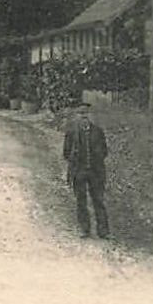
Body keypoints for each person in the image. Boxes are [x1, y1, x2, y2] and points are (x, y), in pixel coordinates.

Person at [63, 101, 110, 239]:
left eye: (86, 113)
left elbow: (104, 151)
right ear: (76, 116)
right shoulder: (71, 132)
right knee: (81, 201)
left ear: (91, 115)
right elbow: (66, 152)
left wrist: (97, 157)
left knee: (98, 200)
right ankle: (85, 229)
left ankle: (103, 231)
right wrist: (75, 160)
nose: (84, 116)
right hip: (79, 171)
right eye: (81, 113)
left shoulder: (98, 132)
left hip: (95, 172)